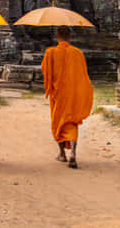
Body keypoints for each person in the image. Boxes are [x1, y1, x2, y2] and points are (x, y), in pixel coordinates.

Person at [40, 25, 93, 169]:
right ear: (70, 36)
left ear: (56, 36)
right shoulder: (77, 53)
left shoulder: (50, 52)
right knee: (72, 122)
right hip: (72, 94)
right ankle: (73, 153)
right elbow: (83, 74)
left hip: (58, 94)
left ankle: (62, 153)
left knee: (58, 122)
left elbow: (45, 71)